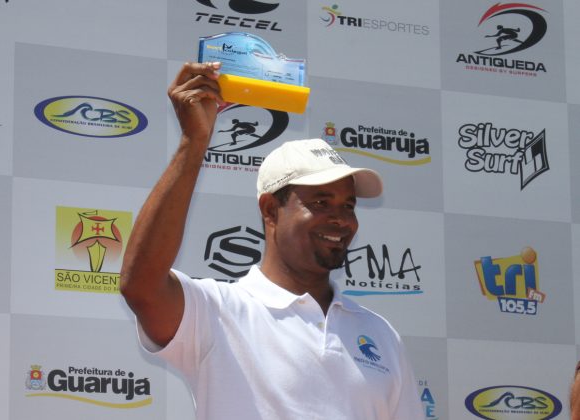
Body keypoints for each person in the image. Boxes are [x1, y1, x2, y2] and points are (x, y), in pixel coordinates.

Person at [120, 61, 424, 420]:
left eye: (348, 205)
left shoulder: (379, 332)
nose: (340, 219)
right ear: (270, 210)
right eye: (321, 203)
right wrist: (193, 142)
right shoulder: (218, 311)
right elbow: (141, 286)